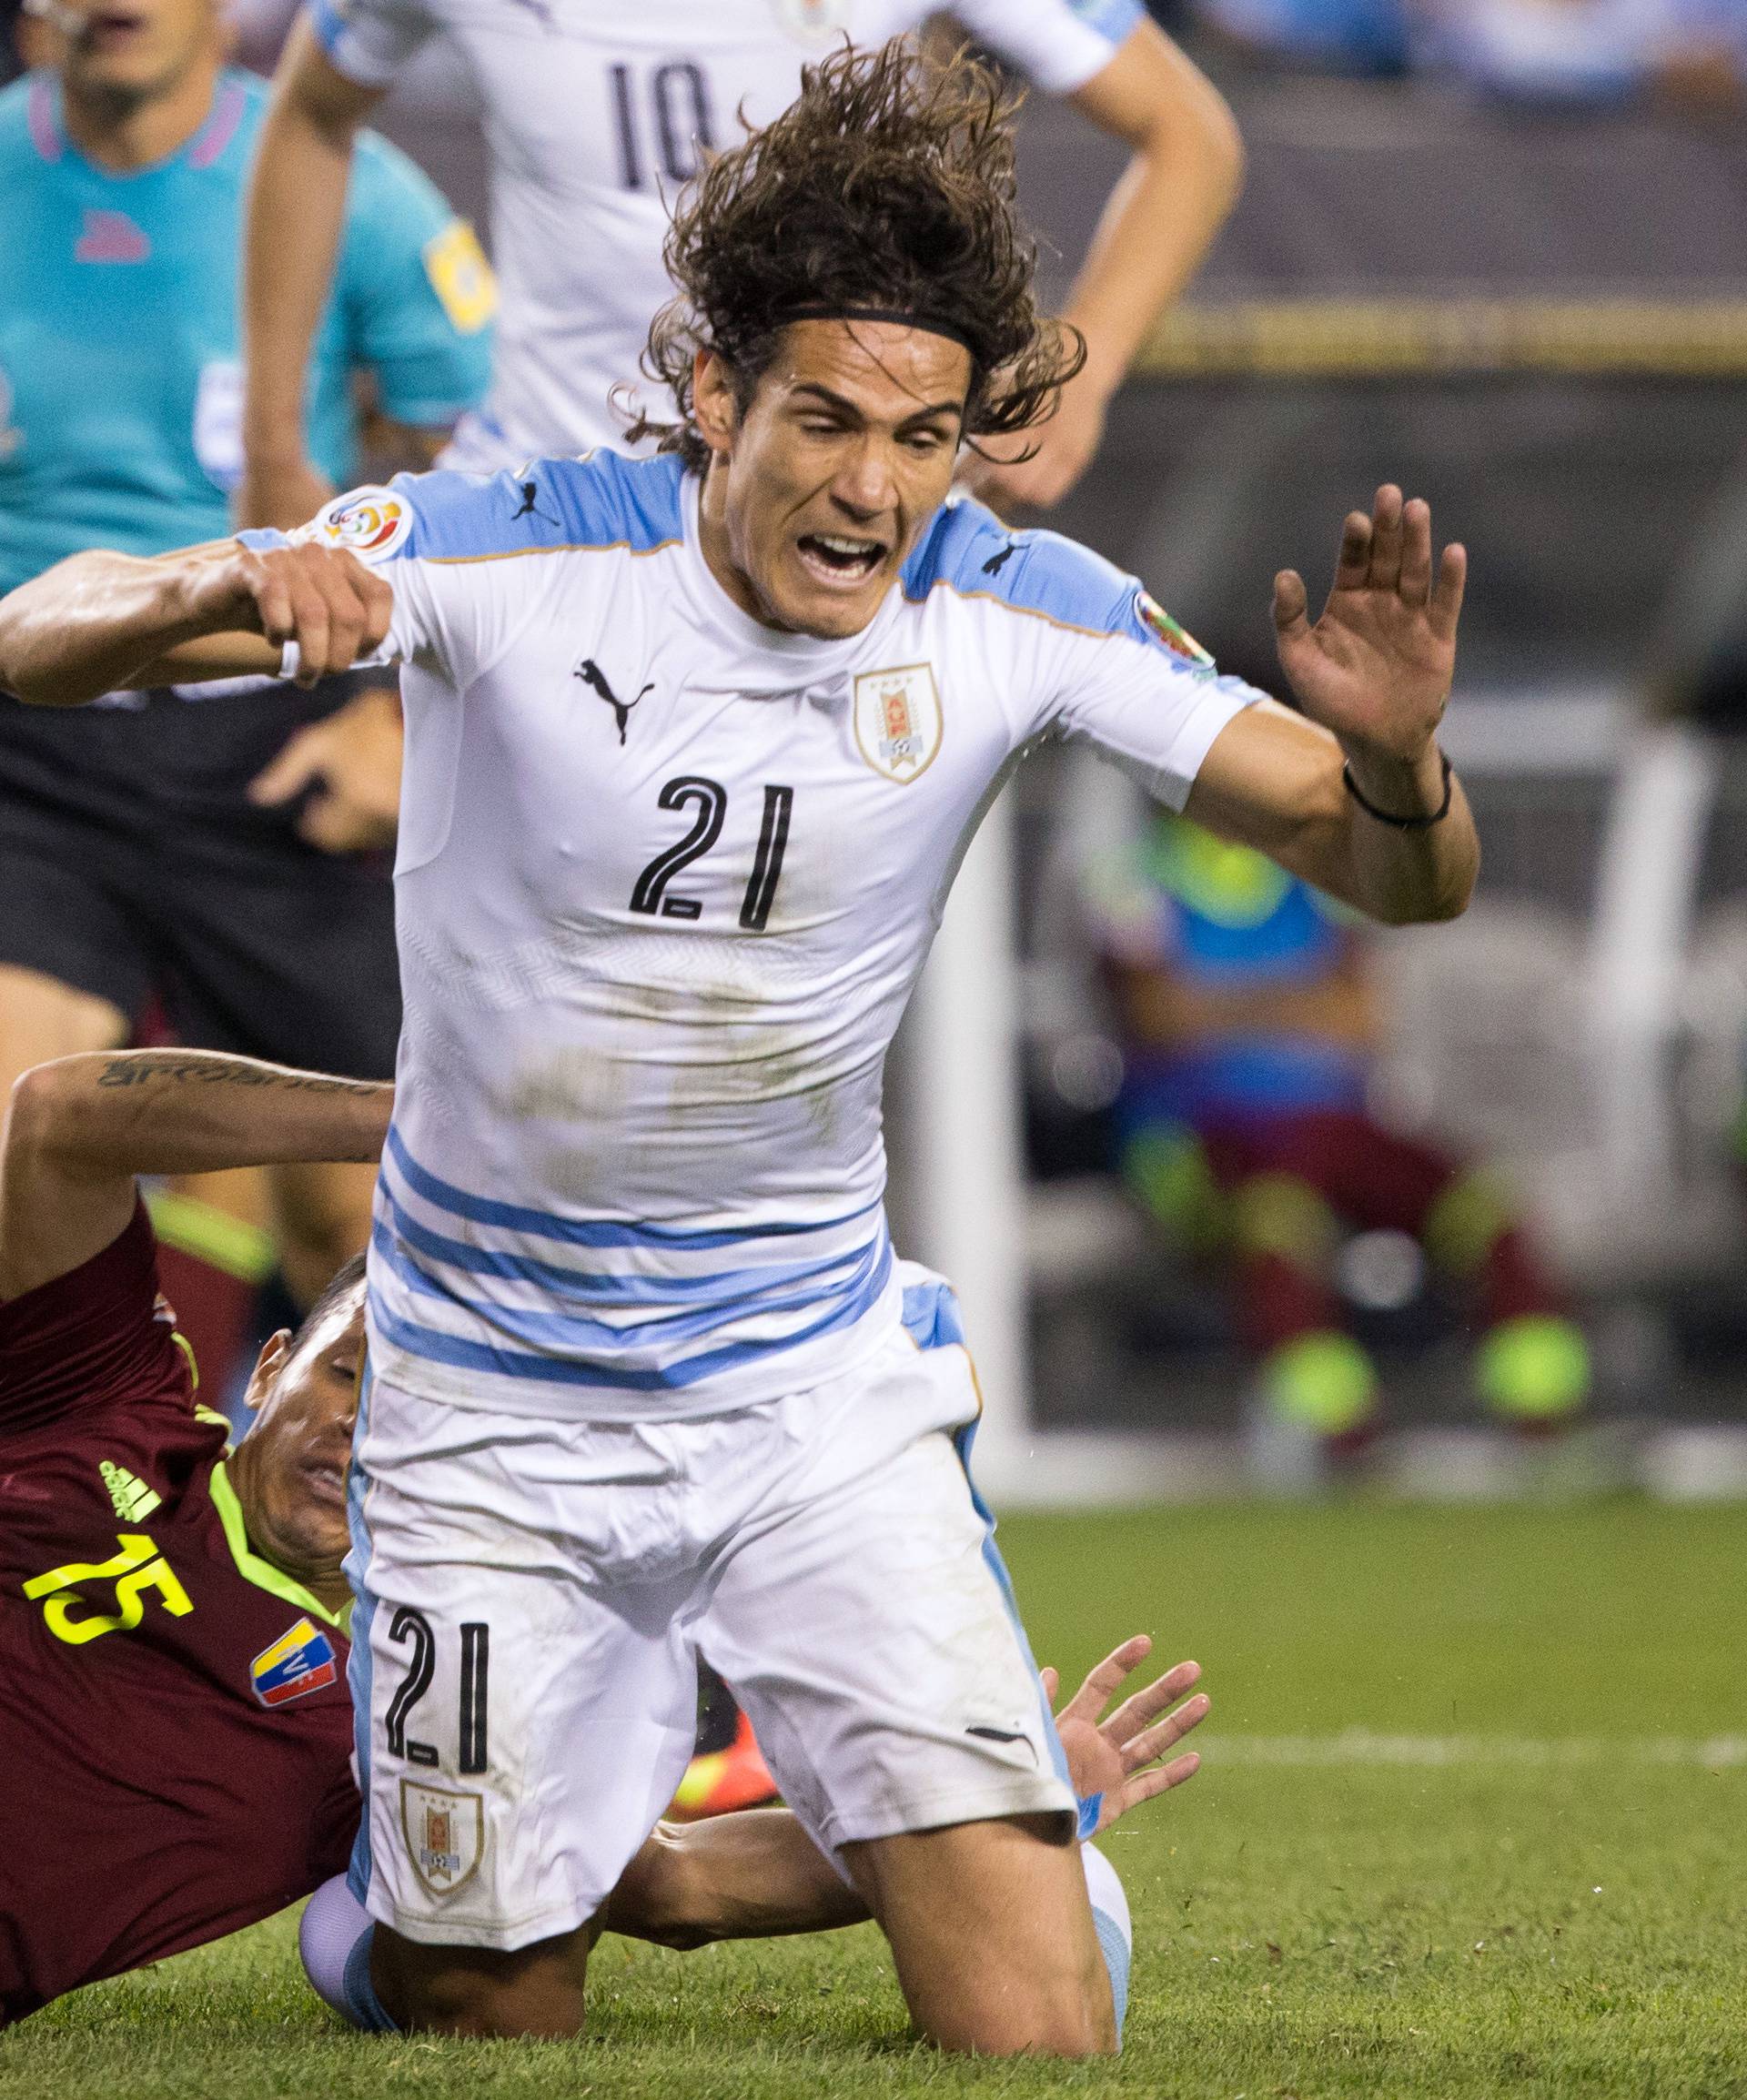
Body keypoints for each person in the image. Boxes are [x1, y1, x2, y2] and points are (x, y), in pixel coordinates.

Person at [0, 40, 1476, 2054]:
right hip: (489, 1408)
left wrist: (1400, 762)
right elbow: (40, 629)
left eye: (930, 434)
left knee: (1041, 2024)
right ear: (716, 395)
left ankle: (960, 1845)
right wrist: (226, 575)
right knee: (486, 2009)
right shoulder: (508, 543)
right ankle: (451, 1901)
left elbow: (1401, 873)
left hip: (809, 1401)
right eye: (829, 418)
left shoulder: (1023, 600)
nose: (875, 484)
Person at [0, 1043, 1208, 2028]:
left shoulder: (410, 1702)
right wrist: (415, 1119)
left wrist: (1014, 1802)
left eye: (425, 1412)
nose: (368, 1430)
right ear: (271, 1365)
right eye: (357, 1374)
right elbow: (59, 1116)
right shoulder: (111, 1404)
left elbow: (680, 1882)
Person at [0, 0, 492, 1383]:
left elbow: (499, 478)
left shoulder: (358, 191)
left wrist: (400, 717)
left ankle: (382, 1588)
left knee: (372, 1232)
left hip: (284, 746)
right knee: (12, 1161)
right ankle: (66, 1565)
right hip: (32, 747)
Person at [239, 0, 1245, 528]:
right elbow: (311, 118)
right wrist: (275, 447)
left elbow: (1189, 136)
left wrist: (1083, 370)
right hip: (542, 506)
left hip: (827, 521)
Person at [1088, 810, 1590, 1465]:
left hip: (1336, 1124)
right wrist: (1301, 1003)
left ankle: (1542, 1421)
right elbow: (1160, 1019)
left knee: (1481, 1204)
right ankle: (1335, 1432)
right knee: (1276, 1224)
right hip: (1206, 1133)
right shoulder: (1135, 879)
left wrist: (1222, 1005)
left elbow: (1358, 1017)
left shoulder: (1313, 873)